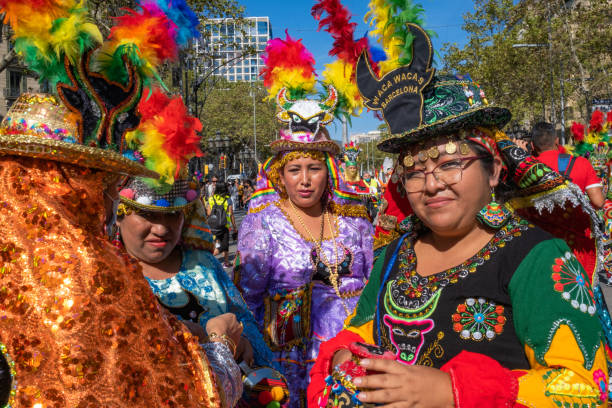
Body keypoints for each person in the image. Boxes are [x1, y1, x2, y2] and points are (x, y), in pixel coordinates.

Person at [308, 22, 608, 408]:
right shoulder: (391, 256)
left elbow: (587, 389)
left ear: (495, 168)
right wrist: (346, 356)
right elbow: (356, 332)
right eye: (414, 170)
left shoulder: (537, 257)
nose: (431, 185)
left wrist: (451, 392)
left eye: (451, 164)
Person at [532, 121, 605, 208]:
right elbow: (598, 203)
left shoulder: (527, 167)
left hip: (538, 221)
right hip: (575, 220)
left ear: (532, 145)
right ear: (557, 141)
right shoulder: (581, 163)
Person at [207, 181, 237, 268]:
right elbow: (231, 214)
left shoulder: (211, 198)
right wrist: (234, 227)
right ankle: (208, 258)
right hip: (224, 226)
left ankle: (226, 262)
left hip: (213, 226)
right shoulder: (228, 199)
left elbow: (208, 213)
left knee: (219, 243)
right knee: (224, 246)